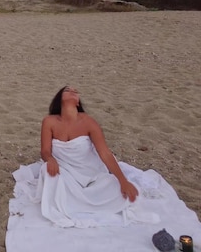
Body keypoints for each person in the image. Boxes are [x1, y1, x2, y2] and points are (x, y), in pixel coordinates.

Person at [34, 85, 148, 227]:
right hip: (66, 171)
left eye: (76, 92)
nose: (73, 92)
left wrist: (123, 181)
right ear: (60, 99)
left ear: (78, 102)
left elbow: (105, 153)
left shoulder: (89, 122)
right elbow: (45, 150)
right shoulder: (49, 121)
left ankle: (81, 202)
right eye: (68, 90)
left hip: (92, 174)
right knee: (47, 171)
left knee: (123, 194)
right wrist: (50, 159)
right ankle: (73, 204)